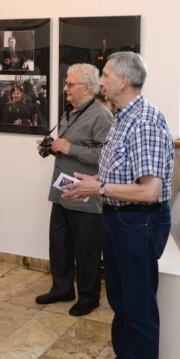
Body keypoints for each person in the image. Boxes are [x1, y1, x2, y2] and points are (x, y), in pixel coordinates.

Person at [62, 51, 175, 359]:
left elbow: (149, 190)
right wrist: (95, 182)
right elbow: (122, 174)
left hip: (139, 222)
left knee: (138, 305)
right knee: (121, 298)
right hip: (118, 218)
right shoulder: (123, 115)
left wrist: (99, 189)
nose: (101, 81)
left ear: (123, 81)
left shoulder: (145, 121)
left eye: (106, 76)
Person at [35, 63, 113, 317]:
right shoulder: (71, 111)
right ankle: (62, 289)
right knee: (59, 245)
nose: (65, 89)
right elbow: (65, 145)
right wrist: (50, 147)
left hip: (85, 197)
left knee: (87, 250)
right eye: (67, 83)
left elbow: (107, 156)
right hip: (62, 193)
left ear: (87, 88)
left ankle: (88, 297)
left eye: (70, 84)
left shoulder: (101, 116)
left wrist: (70, 149)